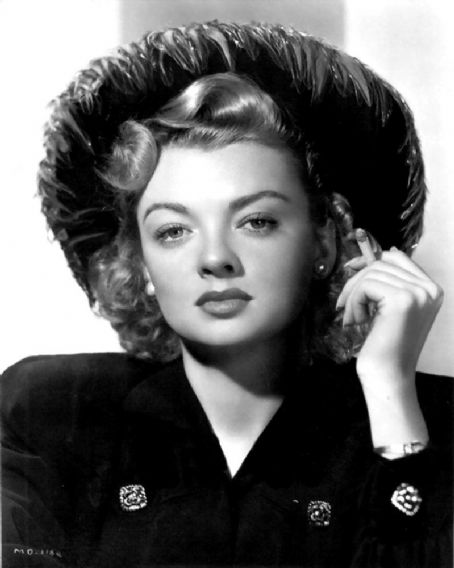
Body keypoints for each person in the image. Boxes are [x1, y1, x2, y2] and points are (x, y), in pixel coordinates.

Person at [1, 21, 452, 568]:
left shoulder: (432, 417)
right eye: (173, 230)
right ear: (140, 263)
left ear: (325, 240)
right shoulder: (52, 412)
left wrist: (389, 389)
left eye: (257, 221)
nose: (215, 258)